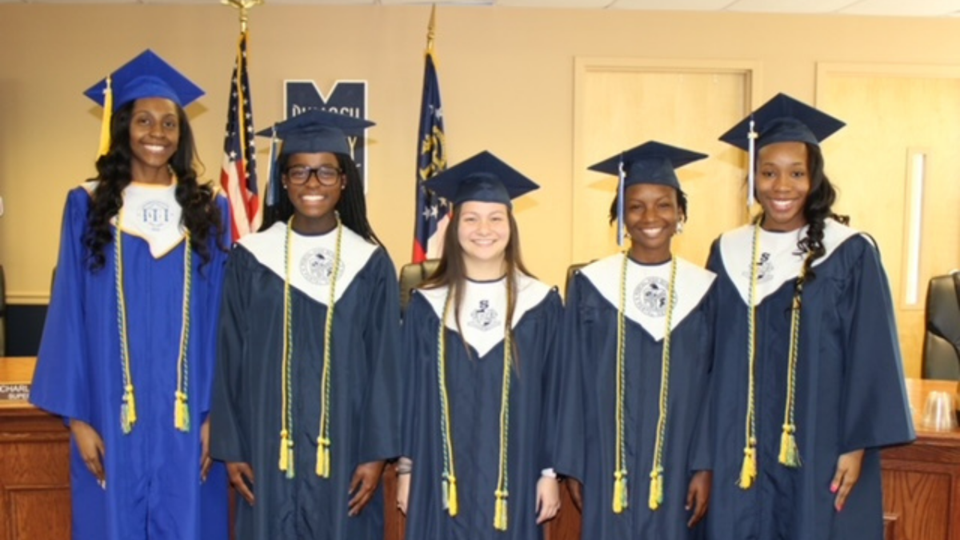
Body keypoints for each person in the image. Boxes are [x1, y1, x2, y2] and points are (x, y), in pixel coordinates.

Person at [29, 49, 231, 539]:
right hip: (110, 416)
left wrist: (218, 418)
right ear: (124, 128)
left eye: (168, 122)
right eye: (143, 120)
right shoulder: (88, 204)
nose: (156, 133)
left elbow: (223, 324)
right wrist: (77, 419)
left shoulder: (209, 211)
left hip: (189, 424)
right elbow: (68, 319)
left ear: (182, 134)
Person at [706, 93, 915, 540]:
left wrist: (855, 445)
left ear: (814, 177)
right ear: (753, 179)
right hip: (736, 445)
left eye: (797, 173)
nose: (782, 186)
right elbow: (708, 356)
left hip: (820, 440)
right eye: (769, 173)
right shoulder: (727, 251)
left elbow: (871, 355)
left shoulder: (850, 252)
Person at [208, 110, 401, 540]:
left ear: (344, 180)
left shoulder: (369, 263)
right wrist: (232, 446)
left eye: (326, 172)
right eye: (300, 171)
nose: (312, 183)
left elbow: (386, 366)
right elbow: (229, 354)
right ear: (284, 180)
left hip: (347, 451)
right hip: (265, 446)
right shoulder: (252, 257)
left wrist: (376, 455)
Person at [397, 151, 564, 539]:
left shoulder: (540, 303)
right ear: (454, 226)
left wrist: (549, 473)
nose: (483, 229)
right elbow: (408, 394)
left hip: (518, 479)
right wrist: (406, 471)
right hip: (438, 479)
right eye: (470, 218)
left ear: (511, 225)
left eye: (495, 218)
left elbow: (556, 393)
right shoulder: (426, 305)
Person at [555, 141, 715, 539]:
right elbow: (570, 379)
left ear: (680, 214)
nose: (650, 216)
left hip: (679, 463)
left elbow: (716, 388)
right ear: (621, 217)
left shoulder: (706, 290)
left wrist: (705, 464)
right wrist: (573, 463)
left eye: (663, 204)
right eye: (636, 206)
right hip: (607, 462)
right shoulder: (591, 287)